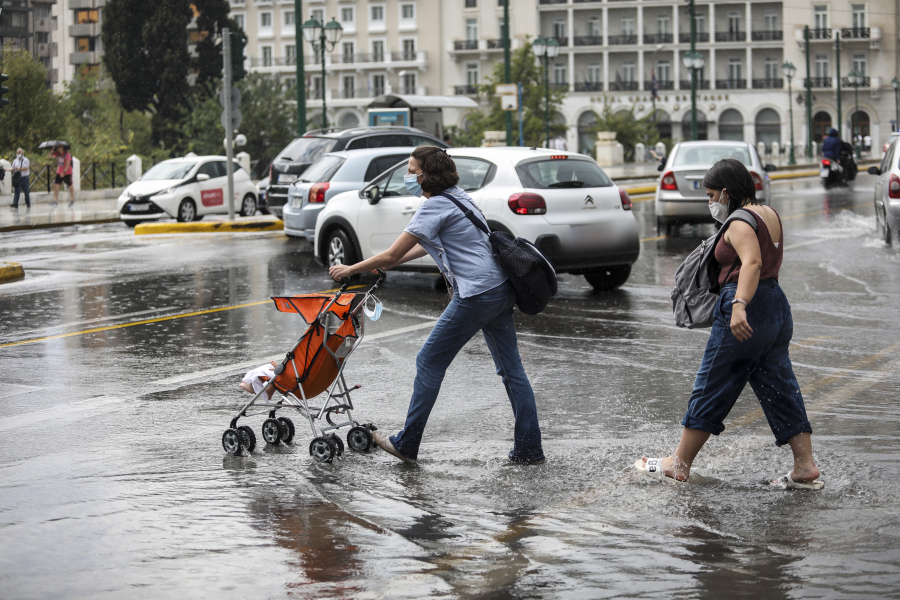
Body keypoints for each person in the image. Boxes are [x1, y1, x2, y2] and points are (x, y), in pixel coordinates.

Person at [328, 146, 545, 465]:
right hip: (500, 288)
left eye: (412, 172)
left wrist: (351, 268)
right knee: (512, 370)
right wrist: (390, 264)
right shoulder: (460, 196)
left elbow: (390, 253)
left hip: (476, 295)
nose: (408, 177)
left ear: (428, 175)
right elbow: (427, 244)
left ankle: (407, 442)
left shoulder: (433, 208)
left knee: (428, 360)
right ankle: (529, 448)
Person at [635, 158, 824, 490]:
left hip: (747, 304)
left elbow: (751, 262)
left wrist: (739, 306)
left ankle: (678, 463)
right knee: (780, 387)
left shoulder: (739, 221)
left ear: (727, 191)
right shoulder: (769, 214)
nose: (710, 202)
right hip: (776, 306)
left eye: (711, 194)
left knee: (712, 383)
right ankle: (804, 466)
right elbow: (765, 262)